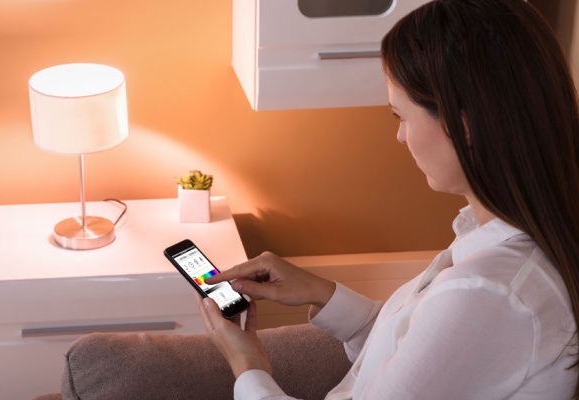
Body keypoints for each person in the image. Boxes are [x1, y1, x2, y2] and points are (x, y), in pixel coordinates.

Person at [198, 0, 579, 398]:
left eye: (401, 117)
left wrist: (248, 367)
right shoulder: (496, 240)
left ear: (462, 124)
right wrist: (320, 292)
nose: (399, 137)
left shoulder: (489, 295)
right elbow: (420, 356)